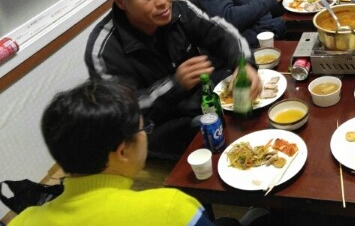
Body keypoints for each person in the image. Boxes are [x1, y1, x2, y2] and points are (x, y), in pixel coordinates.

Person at [85, 0, 261, 159]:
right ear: (121, 1)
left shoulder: (178, 8)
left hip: (202, 101)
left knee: (255, 113)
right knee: (221, 149)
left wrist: (244, 65)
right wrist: (175, 84)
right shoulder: (103, 50)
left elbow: (223, 34)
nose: (162, 2)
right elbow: (123, 112)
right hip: (158, 128)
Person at [9, 80, 268, 225]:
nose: (146, 134)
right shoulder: (171, 209)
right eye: (145, 129)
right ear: (122, 151)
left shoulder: (23, 220)